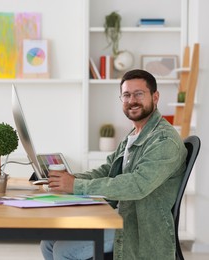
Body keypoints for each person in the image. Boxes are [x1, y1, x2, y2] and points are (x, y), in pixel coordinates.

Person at [41, 69, 187, 260]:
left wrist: (76, 186)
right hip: (122, 215)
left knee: (63, 250)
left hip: (140, 227)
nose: (132, 100)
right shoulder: (134, 135)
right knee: (48, 243)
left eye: (139, 94)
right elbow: (107, 170)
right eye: (126, 95)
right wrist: (69, 180)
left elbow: (137, 185)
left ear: (155, 96)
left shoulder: (165, 140)